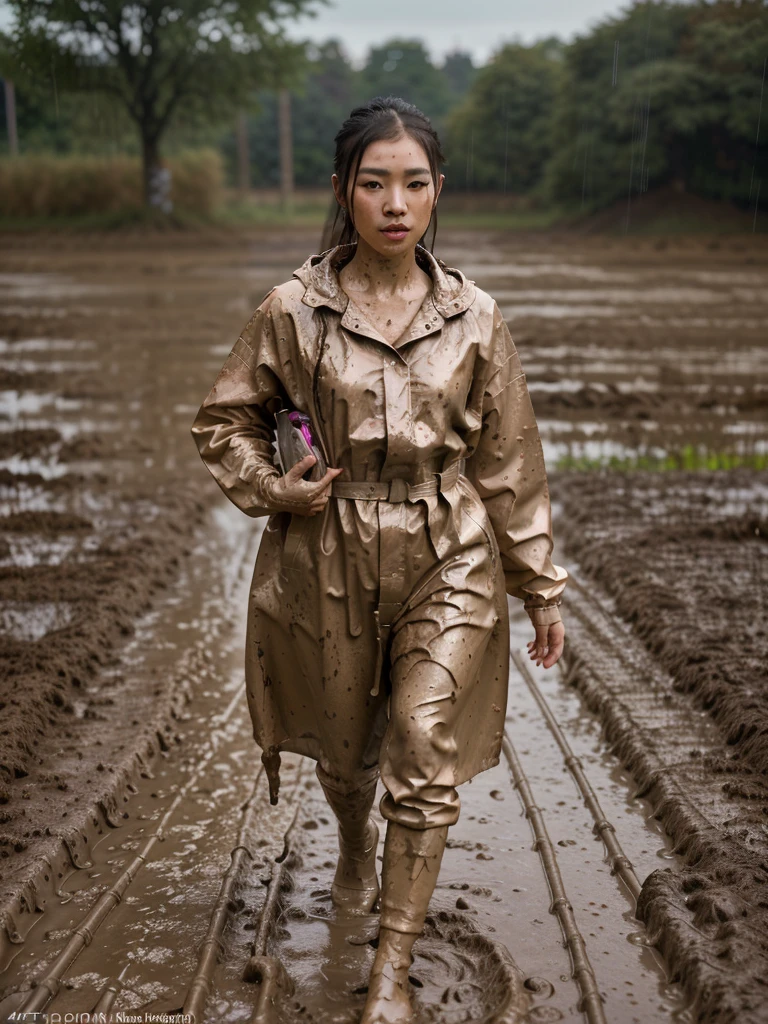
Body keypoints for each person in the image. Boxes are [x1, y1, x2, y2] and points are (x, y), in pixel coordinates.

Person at [191, 95, 567, 1024]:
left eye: (414, 183)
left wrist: (542, 586)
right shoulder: (292, 309)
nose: (395, 202)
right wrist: (278, 488)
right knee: (350, 755)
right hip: (330, 549)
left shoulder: (476, 318)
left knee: (421, 743)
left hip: (451, 548)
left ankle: (389, 972)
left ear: (438, 193)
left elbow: (508, 463)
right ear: (344, 192)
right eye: (374, 183)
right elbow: (223, 422)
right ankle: (355, 842)